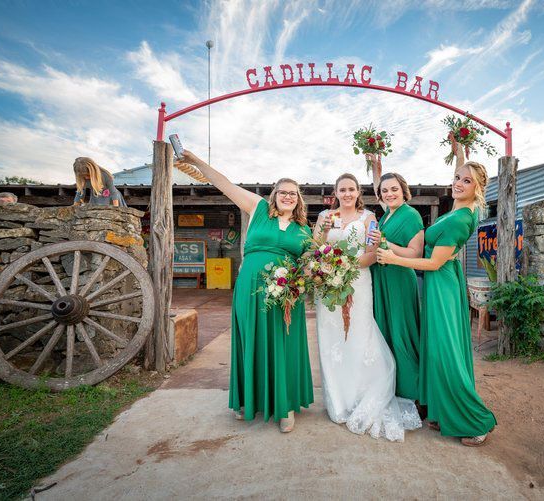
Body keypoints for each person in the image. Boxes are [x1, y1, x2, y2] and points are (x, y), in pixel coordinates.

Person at [177, 149, 313, 433]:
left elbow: (308, 264)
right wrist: (196, 161)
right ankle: (249, 399)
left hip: (286, 293)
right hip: (251, 286)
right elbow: (223, 183)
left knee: (284, 342)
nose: (288, 197)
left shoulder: (304, 231)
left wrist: (305, 280)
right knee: (250, 338)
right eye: (283, 192)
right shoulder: (258, 209)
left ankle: (285, 406)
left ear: (299, 199)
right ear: (274, 195)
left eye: (293, 193)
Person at [376, 138, 497, 447]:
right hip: (438, 285)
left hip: (441, 285)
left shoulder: (461, 218)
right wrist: (459, 153)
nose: (458, 183)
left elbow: (433, 262)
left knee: (446, 353)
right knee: (435, 350)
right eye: (457, 177)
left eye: (466, 181)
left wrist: (393, 258)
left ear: (477, 188)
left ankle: (475, 421)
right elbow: (463, 176)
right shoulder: (456, 210)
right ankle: (443, 412)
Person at [314, 173, 421, 442]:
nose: (347, 194)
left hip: (358, 282)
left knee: (360, 336)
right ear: (335, 192)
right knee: (332, 340)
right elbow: (316, 247)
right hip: (328, 284)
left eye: (352, 189)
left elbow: (374, 252)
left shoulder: (369, 217)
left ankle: (364, 392)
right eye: (342, 190)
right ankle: (338, 399)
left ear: (358, 192)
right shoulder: (325, 216)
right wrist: (325, 234)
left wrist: (347, 268)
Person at [366, 153, 424, 403]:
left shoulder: (410, 215)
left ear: (404, 191)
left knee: (402, 334)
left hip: (400, 278)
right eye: (385, 191)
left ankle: (415, 393)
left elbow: (416, 253)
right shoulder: (387, 214)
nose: (389, 194)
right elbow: (380, 186)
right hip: (381, 279)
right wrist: (376, 168)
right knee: (385, 332)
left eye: (394, 189)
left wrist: (386, 243)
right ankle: (395, 387)